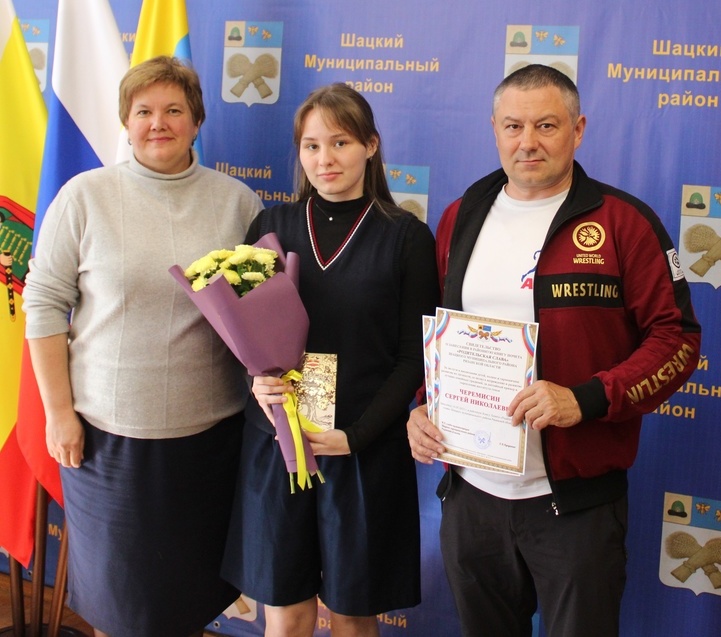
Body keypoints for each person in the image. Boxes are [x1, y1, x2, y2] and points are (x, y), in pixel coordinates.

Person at [407, 64, 701, 637]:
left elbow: (677, 340)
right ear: (494, 129)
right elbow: (443, 333)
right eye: (513, 126)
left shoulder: (624, 222)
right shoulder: (461, 215)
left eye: (546, 125)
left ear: (578, 129)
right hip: (472, 497)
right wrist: (424, 406)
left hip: (575, 506)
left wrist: (585, 399)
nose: (528, 142)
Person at [22, 56, 262, 637]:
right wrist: (59, 413)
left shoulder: (238, 203)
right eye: (144, 111)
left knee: (190, 604)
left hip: (210, 442)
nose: (159, 123)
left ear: (196, 121)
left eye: (174, 110)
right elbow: (44, 305)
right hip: (108, 444)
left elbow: (259, 316)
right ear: (126, 122)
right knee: (120, 611)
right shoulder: (84, 197)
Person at [221, 83, 440, 637]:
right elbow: (244, 333)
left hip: (362, 451)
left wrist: (356, 437)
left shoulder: (407, 237)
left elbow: (414, 359)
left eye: (340, 142)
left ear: (371, 145)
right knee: (286, 614)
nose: (325, 159)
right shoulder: (268, 227)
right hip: (278, 444)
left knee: (351, 615)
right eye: (312, 145)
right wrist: (256, 382)